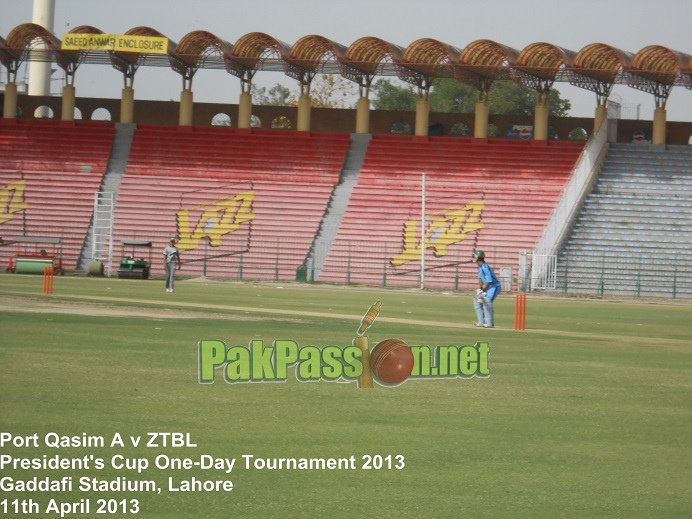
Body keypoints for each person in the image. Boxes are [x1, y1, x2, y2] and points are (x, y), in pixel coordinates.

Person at [472, 250, 501, 328]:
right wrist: (480, 288)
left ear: (478, 258)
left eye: (474, 257)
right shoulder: (479, 266)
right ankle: (481, 322)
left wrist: (484, 290)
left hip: (494, 287)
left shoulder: (485, 267)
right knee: (477, 301)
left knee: (487, 302)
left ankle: (489, 323)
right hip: (487, 287)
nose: (473, 258)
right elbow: (480, 278)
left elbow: (489, 281)